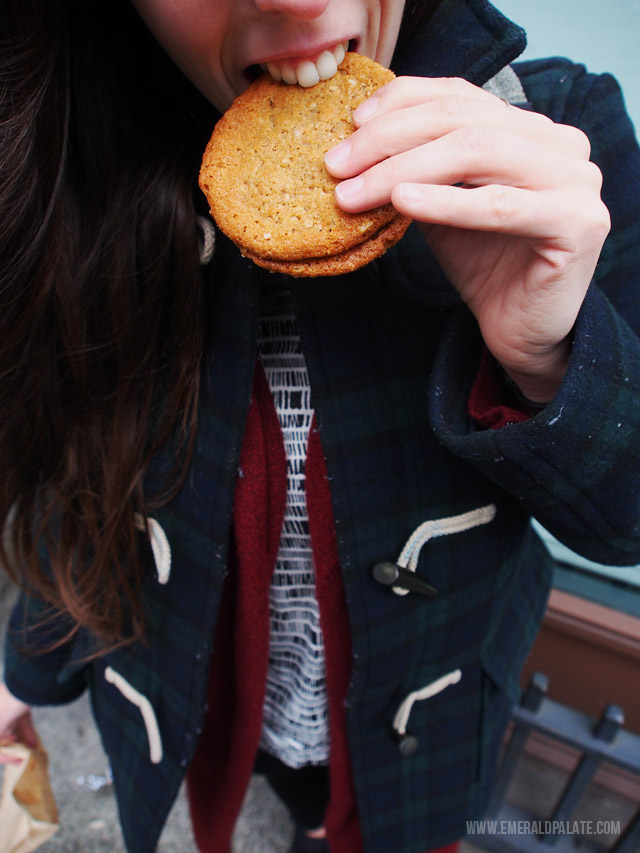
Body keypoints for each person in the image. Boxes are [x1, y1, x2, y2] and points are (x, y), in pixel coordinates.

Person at [1, 0, 639, 851]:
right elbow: (73, 477)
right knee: (282, 801)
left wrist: (550, 355)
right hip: (202, 692)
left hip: (427, 716)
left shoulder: (561, 135)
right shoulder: (79, 165)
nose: (298, 1)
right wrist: (26, 674)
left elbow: (627, 520)